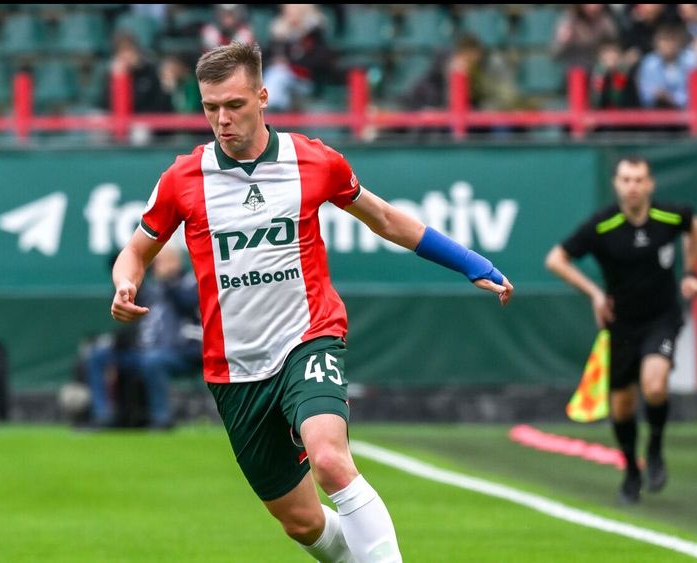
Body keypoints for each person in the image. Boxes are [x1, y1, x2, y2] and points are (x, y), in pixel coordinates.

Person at [110, 41, 513, 562]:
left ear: (262, 97)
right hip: (234, 369)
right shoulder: (182, 179)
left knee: (330, 460)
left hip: (308, 338)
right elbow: (135, 252)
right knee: (301, 523)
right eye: (211, 107)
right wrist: (125, 283)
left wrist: (469, 262)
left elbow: (386, 219)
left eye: (234, 105)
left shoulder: (314, 160)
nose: (222, 120)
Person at [545, 157, 697, 505]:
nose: (633, 186)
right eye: (626, 180)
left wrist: (691, 272)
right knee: (621, 407)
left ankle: (656, 449)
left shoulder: (669, 216)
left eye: (639, 179)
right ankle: (632, 471)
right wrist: (595, 294)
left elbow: (693, 223)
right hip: (621, 324)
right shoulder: (603, 225)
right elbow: (556, 259)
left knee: (654, 384)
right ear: (616, 184)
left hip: (662, 318)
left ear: (650, 184)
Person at [87, 244, 201, 429]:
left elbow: (188, 303)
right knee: (98, 355)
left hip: (182, 350)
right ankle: (104, 415)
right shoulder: (152, 289)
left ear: (175, 261)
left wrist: (169, 280)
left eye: (160, 262)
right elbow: (136, 315)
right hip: (145, 351)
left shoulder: (190, 282)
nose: (156, 267)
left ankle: (161, 417)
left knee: (153, 360)